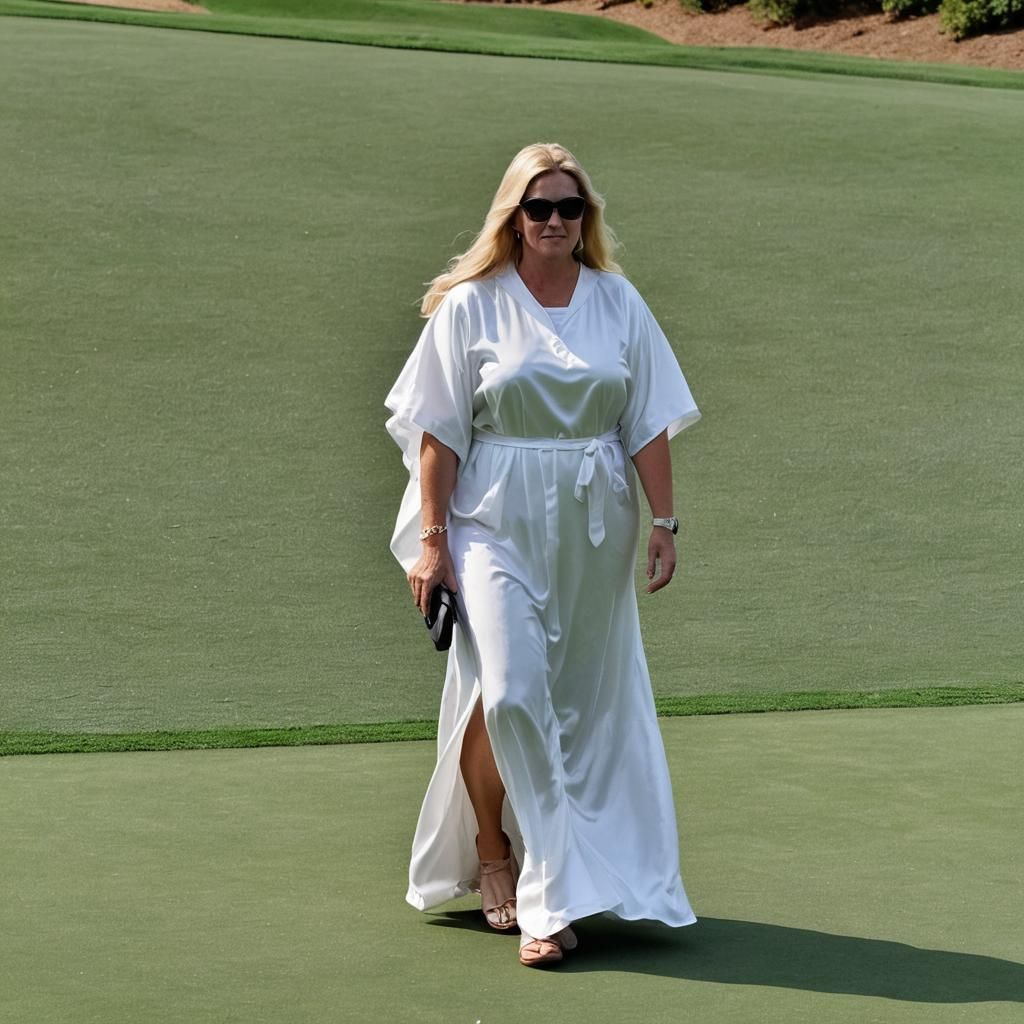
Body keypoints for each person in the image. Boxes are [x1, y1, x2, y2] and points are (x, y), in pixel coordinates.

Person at [385, 142, 700, 968]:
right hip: (490, 518)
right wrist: (432, 542)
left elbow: (648, 418)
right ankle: (529, 885)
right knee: (515, 692)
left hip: (597, 524)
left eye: (570, 208)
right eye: (539, 208)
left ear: (584, 219)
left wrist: (665, 522)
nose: (555, 221)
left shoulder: (618, 301)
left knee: (573, 701)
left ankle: (539, 866)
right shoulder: (470, 307)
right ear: (513, 219)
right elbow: (438, 431)